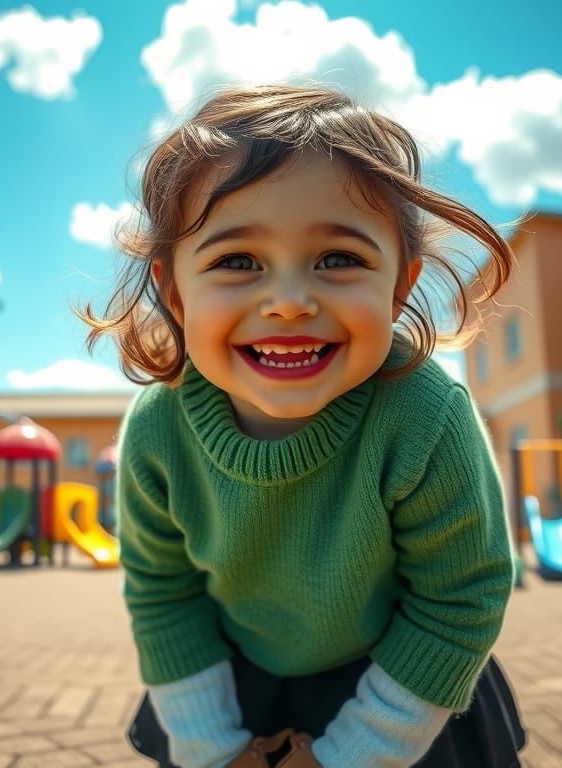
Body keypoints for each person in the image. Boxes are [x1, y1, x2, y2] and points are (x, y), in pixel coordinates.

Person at [81, 84, 525, 768]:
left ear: (400, 285)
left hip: (403, 687)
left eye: (338, 259)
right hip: (229, 686)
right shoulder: (158, 430)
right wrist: (212, 750)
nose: (288, 302)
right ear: (175, 292)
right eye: (238, 261)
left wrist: (350, 756)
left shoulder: (425, 416)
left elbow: (459, 598)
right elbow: (164, 595)